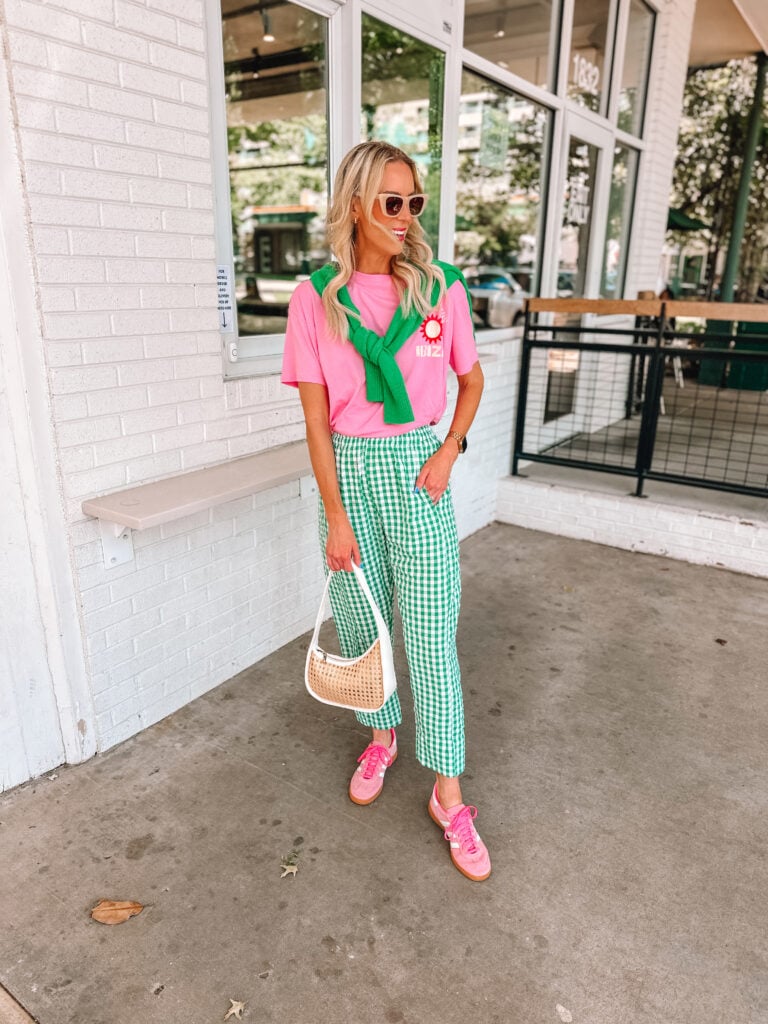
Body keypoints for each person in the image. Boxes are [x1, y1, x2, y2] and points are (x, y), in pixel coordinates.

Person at [281, 140, 489, 882]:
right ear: (358, 207)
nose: (406, 217)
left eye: (414, 203)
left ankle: (449, 792)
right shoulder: (317, 299)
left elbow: (471, 380)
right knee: (366, 626)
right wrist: (335, 515)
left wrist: (448, 452)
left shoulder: (440, 291)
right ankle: (382, 732)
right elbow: (314, 422)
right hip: (348, 474)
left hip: (417, 470)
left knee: (430, 637)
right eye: (391, 203)